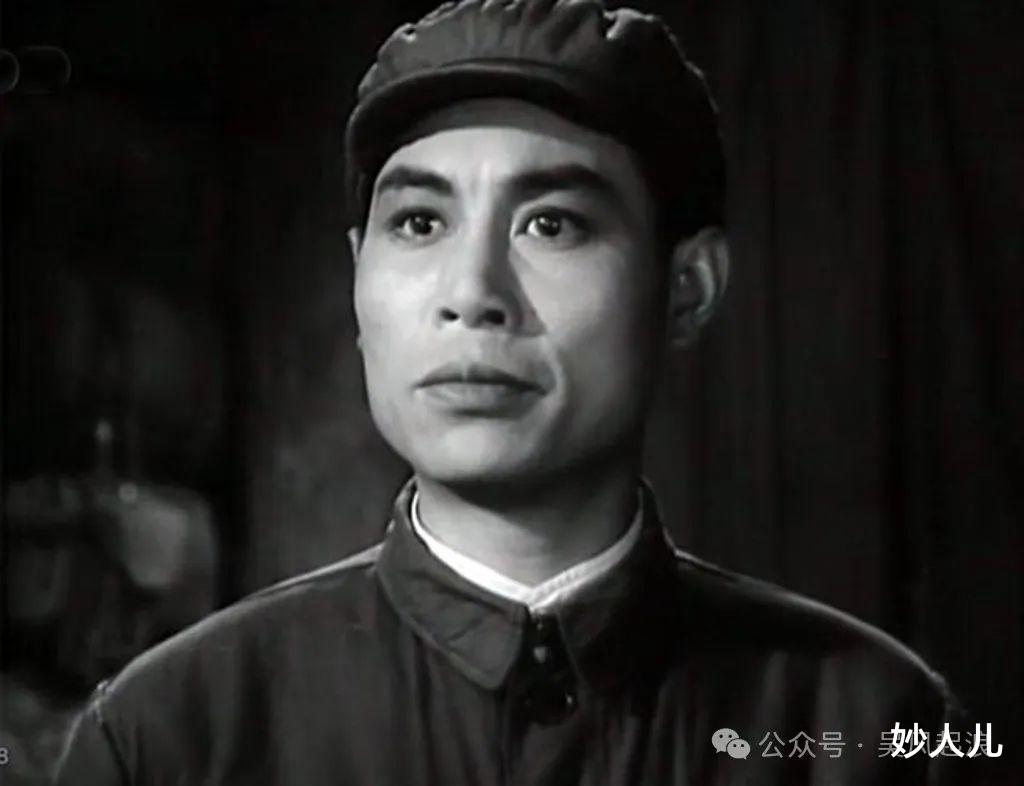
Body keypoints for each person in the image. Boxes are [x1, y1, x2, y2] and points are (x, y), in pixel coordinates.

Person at [56, 1, 966, 784]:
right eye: (420, 222)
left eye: (552, 224)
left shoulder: (876, 725)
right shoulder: (167, 737)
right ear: (359, 276)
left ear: (687, 289)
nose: (472, 293)